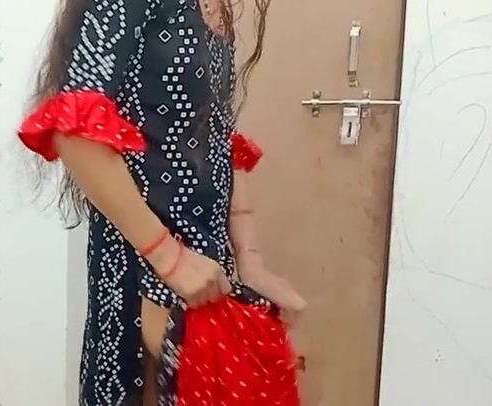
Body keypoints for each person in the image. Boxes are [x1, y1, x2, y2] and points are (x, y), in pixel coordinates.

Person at [18, 0, 306, 404]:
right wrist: (170, 259)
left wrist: (250, 261)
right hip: (145, 270)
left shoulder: (217, 8)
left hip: (206, 272)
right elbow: (74, 133)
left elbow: (218, 138)